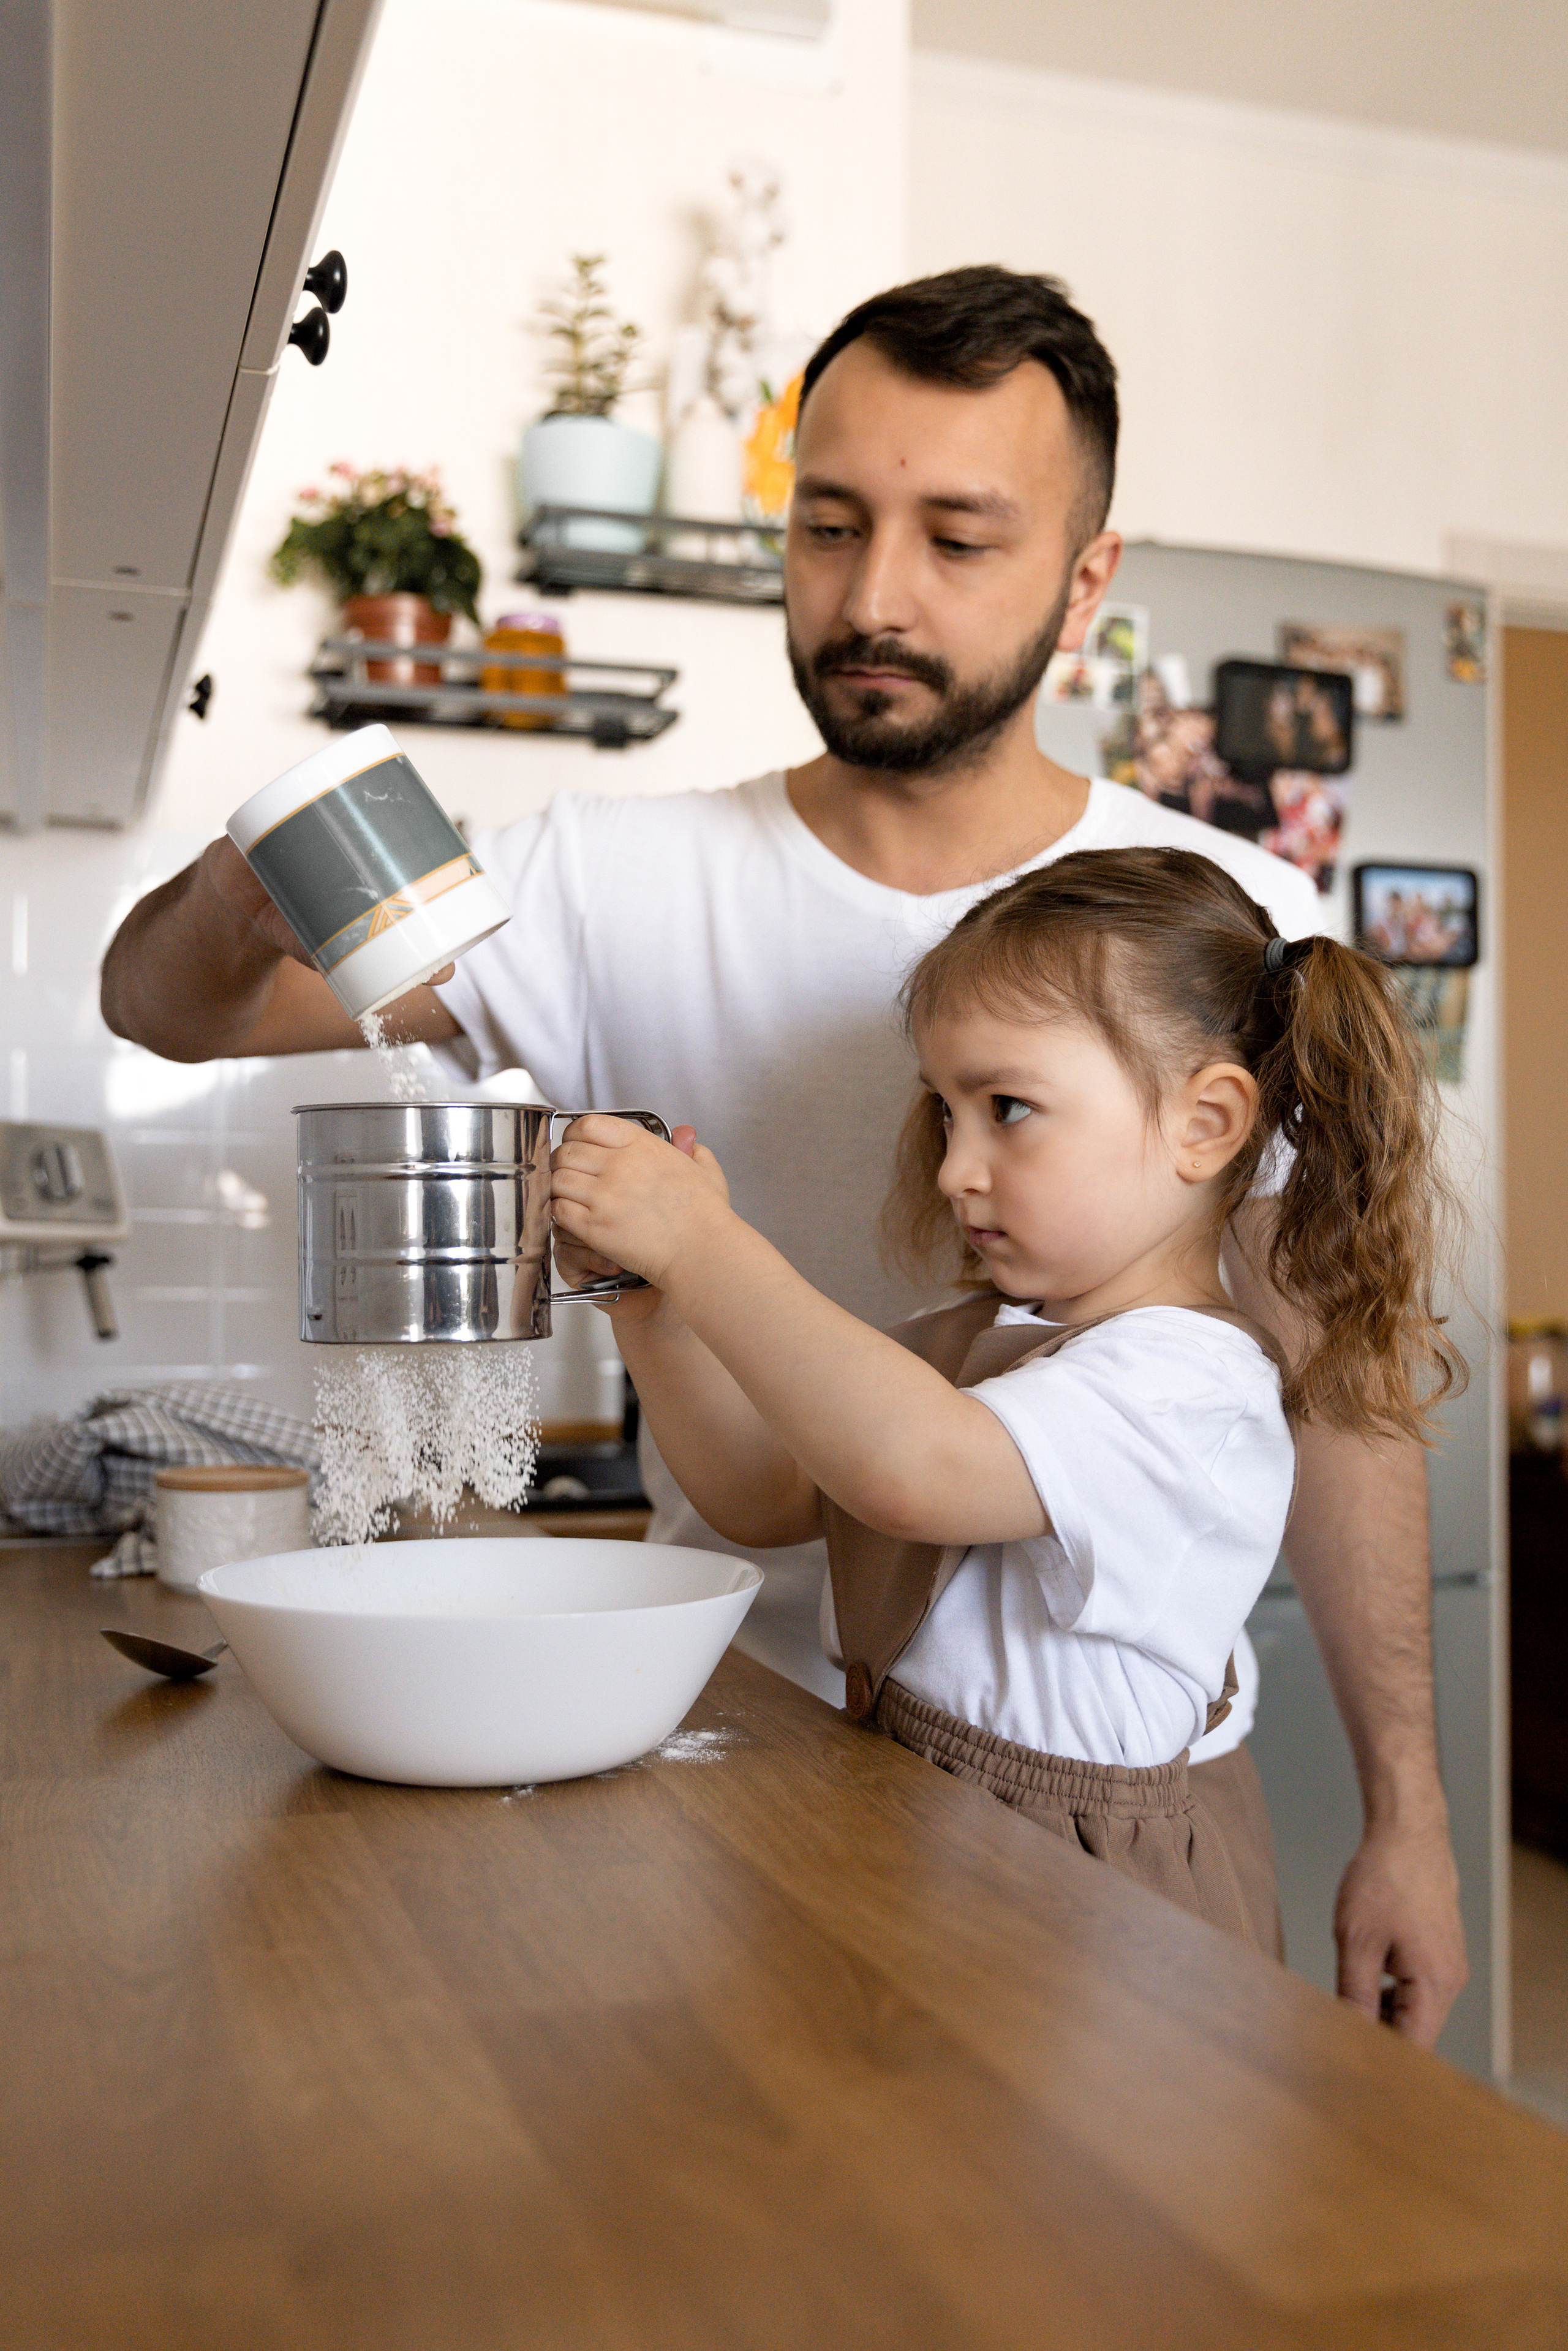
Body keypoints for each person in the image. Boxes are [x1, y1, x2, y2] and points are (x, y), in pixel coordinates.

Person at [100, 263, 1468, 2039]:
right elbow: (174, 1009)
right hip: (733, 1773)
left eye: (958, 538)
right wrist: (251, 861)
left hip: (1080, 1821)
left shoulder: (1218, 929)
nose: (874, 595)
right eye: (829, 524)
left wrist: (1411, 1810)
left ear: (1086, 575)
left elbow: (1340, 1385)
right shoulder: (604, 879)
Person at [548, 847, 1463, 1942]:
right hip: (932, 1827)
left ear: (1205, 1123)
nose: (953, 1167)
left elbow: (913, 1471)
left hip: (1093, 1896)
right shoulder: (982, 1342)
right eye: (947, 1111)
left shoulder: (1190, 1384)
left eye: (1009, 1108)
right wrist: (656, 1310)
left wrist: (706, 1245)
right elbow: (768, 1490)